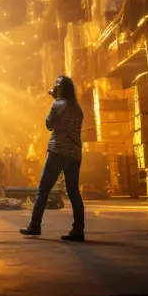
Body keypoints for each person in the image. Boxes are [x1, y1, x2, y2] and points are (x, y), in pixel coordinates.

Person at [20, 75, 85, 242]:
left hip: (57, 152)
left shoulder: (57, 104)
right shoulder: (78, 108)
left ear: (60, 89)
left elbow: (49, 125)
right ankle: (78, 230)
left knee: (43, 190)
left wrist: (54, 103)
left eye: (57, 86)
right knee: (73, 193)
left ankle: (35, 226)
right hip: (75, 154)